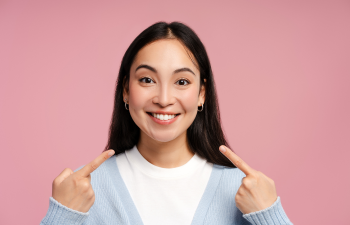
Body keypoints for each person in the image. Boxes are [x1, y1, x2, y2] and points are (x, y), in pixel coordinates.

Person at [40, 21, 293, 225]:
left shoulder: (243, 190)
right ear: (126, 90)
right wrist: (62, 216)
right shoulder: (83, 190)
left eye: (181, 82)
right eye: (147, 80)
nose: (163, 99)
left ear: (202, 93)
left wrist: (268, 216)